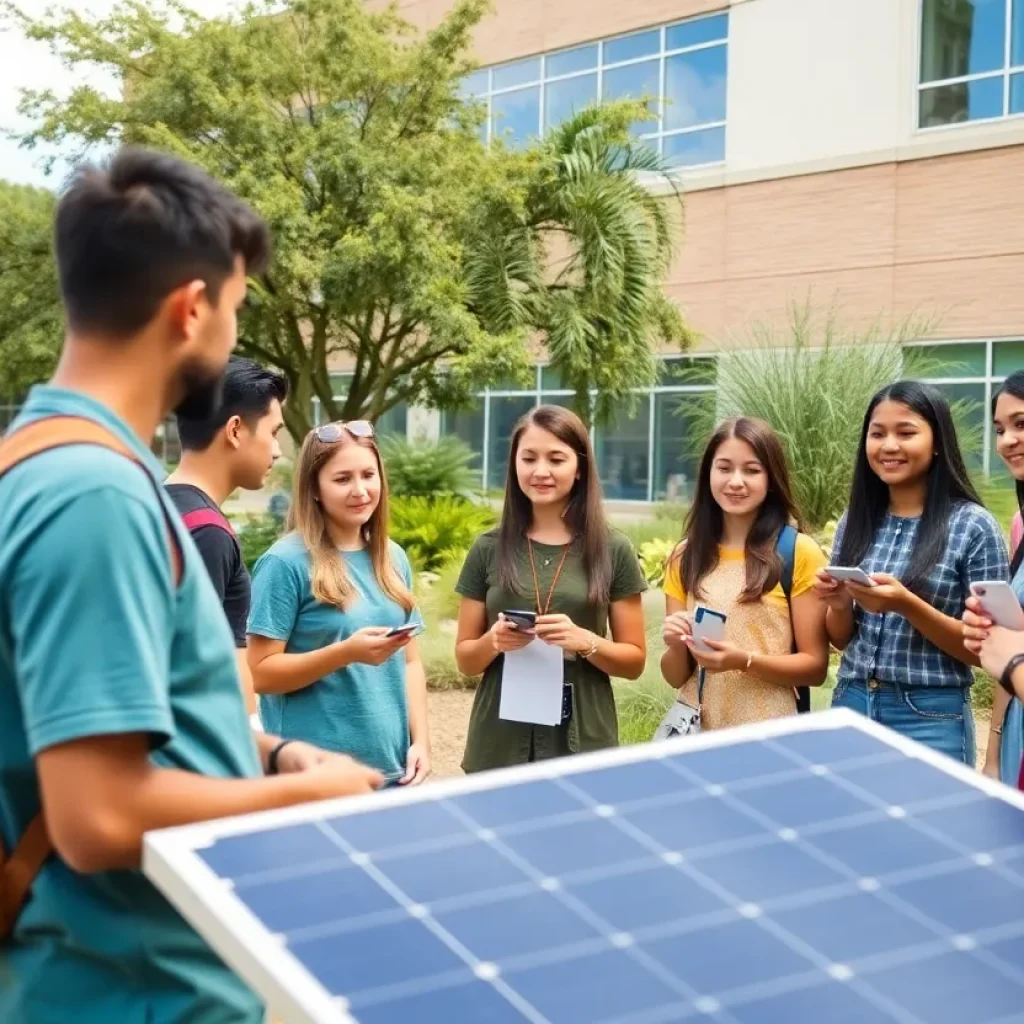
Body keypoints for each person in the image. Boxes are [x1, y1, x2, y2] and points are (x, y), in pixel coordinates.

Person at [0, 148, 382, 1024]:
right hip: (130, 990)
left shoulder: (46, 460)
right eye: (237, 307)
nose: (234, 331)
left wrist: (275, 753)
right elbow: (95, 815)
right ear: (192, 307)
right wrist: (299, 797)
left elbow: (134, 720)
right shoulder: (91, 496)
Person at [815, 380, 1009, 764]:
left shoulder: (972, 526)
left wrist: (906, 605)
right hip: (852, 702)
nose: (889, 446)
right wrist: (838, 605)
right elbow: (841, 640)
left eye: (906, 433)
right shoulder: (855, 521)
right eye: (877, 434)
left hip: (930, 715)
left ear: (937, 441)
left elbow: (988, 649)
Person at [454, 404, 648, 773]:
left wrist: (585, 641)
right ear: (514, 465)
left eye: (556, 459)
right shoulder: (487, 548)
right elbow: (465, 659)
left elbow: (634, 661)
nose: (540, 471)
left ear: (579, 469)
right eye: (528, 458)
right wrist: (492, 641)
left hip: (582, 739)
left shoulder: (613, 549)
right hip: (499, 739)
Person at [247, 421, 431, 786]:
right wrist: (345, 653)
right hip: (315, 777)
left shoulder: (392, 558)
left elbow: (410, 663)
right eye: (343, 479)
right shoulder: (284, 563)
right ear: (314, 488)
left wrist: (421, 742)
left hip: (392, 773)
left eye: (368, 475)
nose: (360, 490)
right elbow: (261, 674)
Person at [660, 417, 830, 729]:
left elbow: (815, 667)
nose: (735, 481)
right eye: (724, 468)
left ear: (771, 477)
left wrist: (743, 661)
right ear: (708, 473)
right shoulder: (685, 556)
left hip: (770, 733)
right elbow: (676, 676)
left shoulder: (799, 552)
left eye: (751, 470)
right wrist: (674, 645)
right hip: (700, 733)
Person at [166, 355, 289, 718]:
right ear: (235, 430)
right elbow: (193, 669)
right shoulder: (207, 532)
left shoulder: (154, 505)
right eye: (274, 432)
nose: (278, 450)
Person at [962, 371, 1024, 783]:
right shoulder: (1020, 525)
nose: (1006, 441)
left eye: (1021, 424)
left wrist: (1012, 657)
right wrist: (995, 753)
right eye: (1000, 429)